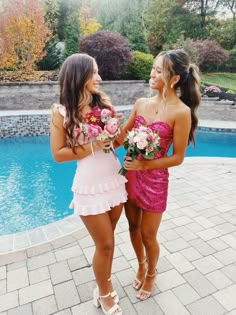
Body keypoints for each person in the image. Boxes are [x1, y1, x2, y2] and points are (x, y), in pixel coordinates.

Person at [117, 49, 201, 300]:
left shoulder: (181, 112)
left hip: (154, 180)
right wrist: (102, 130)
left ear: (174, 78)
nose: (151, 74)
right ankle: (141, 264)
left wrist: (143, 166)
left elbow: (177, 157)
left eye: (157, 70)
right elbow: (121, 137)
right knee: (132, 226)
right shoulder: (141, 104)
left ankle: (151, 273)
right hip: (130, 176)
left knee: (148, 234)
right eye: (152, 68)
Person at [50, 53, 126, 315]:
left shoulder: (103, 104)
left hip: (114, 178)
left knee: (109, 242)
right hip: (89, 185)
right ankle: (103, 292)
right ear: (78, 75)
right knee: (104, 244)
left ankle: (103, 283)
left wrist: (131, 137)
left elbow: (114, 142)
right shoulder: (61, 111)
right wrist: (91, 144)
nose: (99, 77)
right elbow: (58, 154)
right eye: (93, 72)